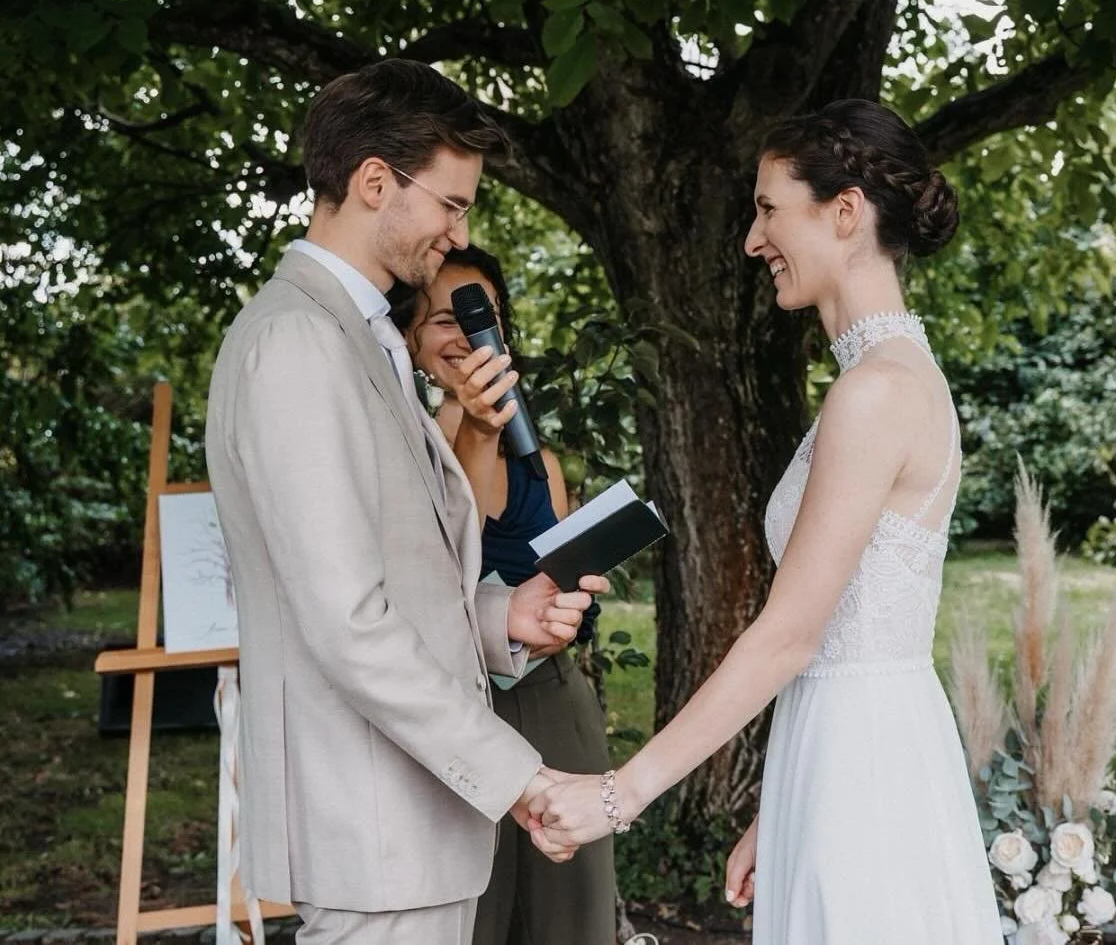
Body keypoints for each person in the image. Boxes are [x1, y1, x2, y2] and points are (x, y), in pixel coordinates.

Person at [529, 99, 1006, 942]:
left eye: (768, 209)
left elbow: (792, 633)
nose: (753, 241)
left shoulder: (877, 392)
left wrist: (620, 792)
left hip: (865, 765)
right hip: (848, 754)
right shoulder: (887, 377)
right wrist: (782, 804)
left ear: (845, 212)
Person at [204, 59, 607, 945]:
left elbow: (396, 573)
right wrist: (519, 774)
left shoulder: (354, 333)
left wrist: (504, 615)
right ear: (375, 182)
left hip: (405, 826)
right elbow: (347, 621)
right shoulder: (298, 342)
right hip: (370, 825)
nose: (459, 230)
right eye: (451, 203)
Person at [390, 246, 618, 945]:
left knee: (569, 919)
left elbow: (564, 588)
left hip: (553, 702)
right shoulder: (402, 453)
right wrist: (476, 427)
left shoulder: (541, 463)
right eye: (442, 319)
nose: (463, 334)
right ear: (408, 338)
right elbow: (435, 566)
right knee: (472, 921)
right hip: (454, 714)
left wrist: (571, 605)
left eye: (479, 316)